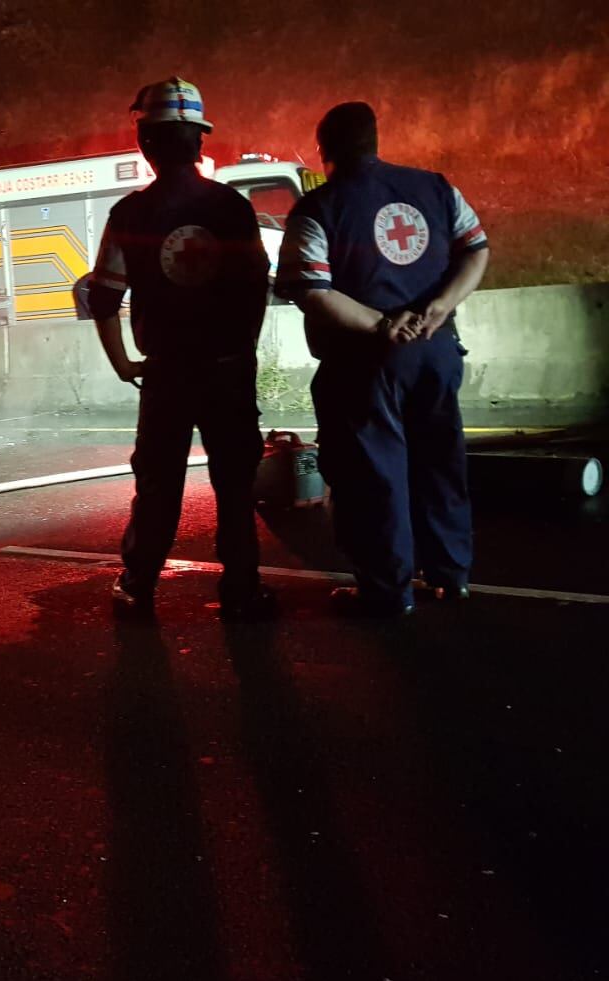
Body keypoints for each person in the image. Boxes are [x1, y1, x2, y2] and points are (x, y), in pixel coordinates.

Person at [275, 101, 490, 616]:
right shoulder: (437, 188)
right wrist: (438, 308)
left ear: (323, 150)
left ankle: (387, 591)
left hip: (365, 364)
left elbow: (313, 291)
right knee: (440, 463)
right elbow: (476, 250)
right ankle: (451, 575)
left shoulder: (318, 209)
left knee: (375, 476)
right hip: (436, 352)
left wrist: (382, 326)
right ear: (375, 141)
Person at [91, 77, 274, 621]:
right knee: (235, 485)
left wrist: (123, 363)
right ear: (199, 141)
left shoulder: (129, 214)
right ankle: (242, 590)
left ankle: (138, 586)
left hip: (167, 374)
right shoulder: (233, 207)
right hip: (228, 370)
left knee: (158, 484)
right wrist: (241, 350)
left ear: (146, 142)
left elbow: (103, 297)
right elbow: (256, 287)